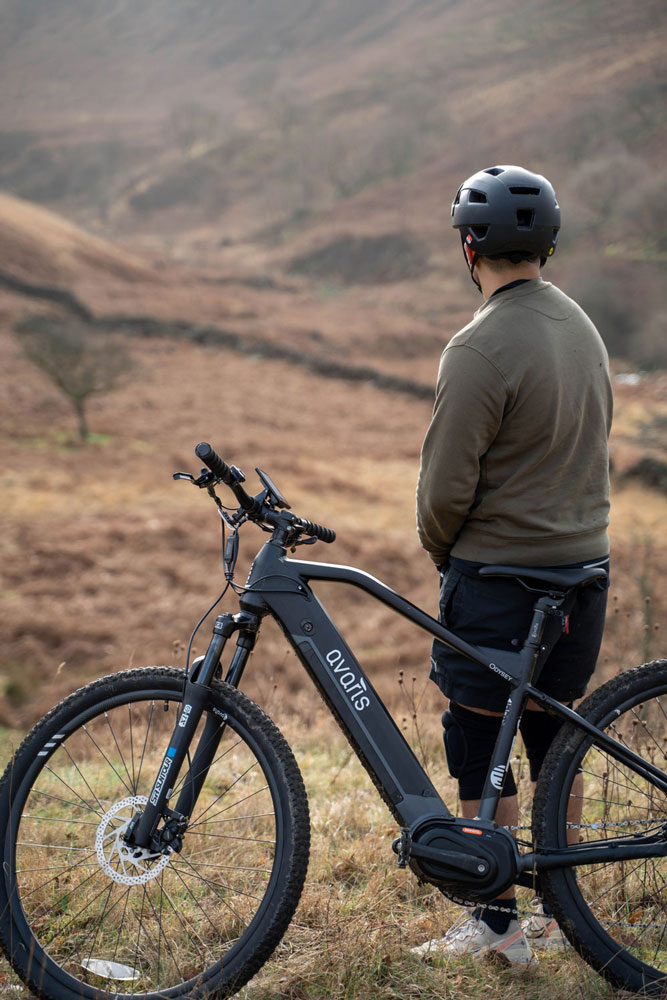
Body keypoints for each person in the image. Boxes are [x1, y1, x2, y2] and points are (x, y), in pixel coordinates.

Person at [413, 165, 612, 965]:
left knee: (476, 739)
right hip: (582, 576)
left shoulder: (478, 347)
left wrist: (447, 560)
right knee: (551, 747)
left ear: (470, 245)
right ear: (547, 244)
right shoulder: (582, 328)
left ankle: (495, 930)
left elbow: (442, 494)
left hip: (499, 581)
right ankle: (567, 920)